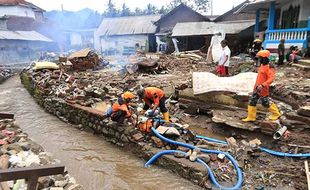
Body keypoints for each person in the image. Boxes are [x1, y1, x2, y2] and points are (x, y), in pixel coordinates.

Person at [242, 50, 281, 122]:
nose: (259, 59)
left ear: (264, 58)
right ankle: (251, 117)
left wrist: (263, 85)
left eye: (260, 58)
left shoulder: (270, 67)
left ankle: (276, 113)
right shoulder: (262, 65)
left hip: (263, 88)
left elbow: (271, 79)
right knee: (252, 101)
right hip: (257, 87)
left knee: (265, 103)